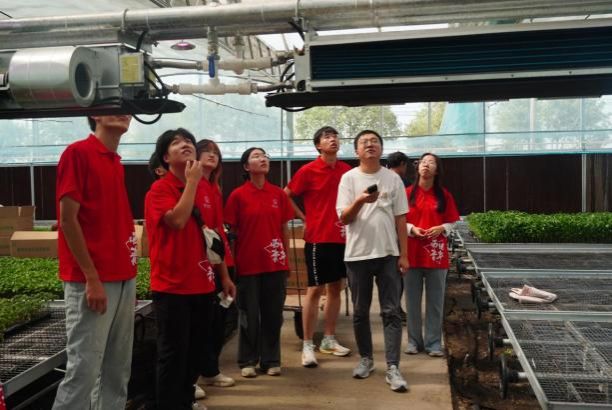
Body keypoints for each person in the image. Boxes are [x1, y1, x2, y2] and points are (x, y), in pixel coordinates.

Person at [145, 128, 235, 410]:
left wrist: (224, 275)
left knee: (195, 352)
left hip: (203, 283)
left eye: (188, 141)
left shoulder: (205, 189)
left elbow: (214, 237)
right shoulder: (160, 190)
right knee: (173, 355)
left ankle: (185, 402)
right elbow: (177, 220)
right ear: (165, 158)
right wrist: (193, 183)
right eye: (176, 143)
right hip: (172, 287)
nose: (185, 144)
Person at [53, 115, 137, 409]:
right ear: (95, 115)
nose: (123, 112)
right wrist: (91, 277)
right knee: (84, 370)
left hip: (123, 276)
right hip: (93, 279)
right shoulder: (78, 153)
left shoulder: (115, 162)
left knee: (117, 369)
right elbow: (68, 219)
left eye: (124, 107)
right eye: (112, 105)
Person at [336, 130, 409, 393]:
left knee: (391, 311)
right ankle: (366, 359)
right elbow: (344, 218)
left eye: (375, 141)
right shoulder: (348, 178)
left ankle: (393, 366)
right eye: (364, 142)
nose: (370, 145)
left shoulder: (393, 178)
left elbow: (401, 218)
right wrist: (360, 200)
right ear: (356, 150)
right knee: (360, 311)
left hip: (388, 254)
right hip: (358, 255)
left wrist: (404, 254)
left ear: (381, 149)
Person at [284, 126, 352, 368]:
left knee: (336, 288)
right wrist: (304, 217)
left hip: (343, 238)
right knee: (314, 290)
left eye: (335, 136)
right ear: (318, 146)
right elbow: (285, 195)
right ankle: (307, 344)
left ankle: (329, 339)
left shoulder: (347, 171)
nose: (333, 139)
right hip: (318, 238)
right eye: (327, 137)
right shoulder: (308, 171)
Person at [225, 147, 293, 378]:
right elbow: (232, 234)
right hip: (248, 265)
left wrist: (286, 259)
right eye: (256, 156)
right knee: (248, 315)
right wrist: (232, 266)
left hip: (275, 263)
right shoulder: (238, 195)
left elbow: (284, 229)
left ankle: (271, 359)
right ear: (246, 166)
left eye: (264, 156)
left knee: (273, 315)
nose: (262, 159)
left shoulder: (278, 194)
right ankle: (247, 360)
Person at [404, 153, 459, 357]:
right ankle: (413, 341)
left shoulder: (444, 195)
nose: (426, 165)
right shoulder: (406, 193)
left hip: (436, 256)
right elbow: (397, 220)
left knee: (435, 302)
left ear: (437, 170)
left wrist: (442, 228)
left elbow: (453, 221)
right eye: (423, 162)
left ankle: (434, 343)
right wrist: (411, 229)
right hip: (411, 254)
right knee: (412, 301)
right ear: (417, 167)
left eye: (431, 162)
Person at [195, 139, 237, 391]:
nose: (212, 155)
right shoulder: (192, 185)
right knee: (202, 322)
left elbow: (218, 230)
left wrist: (225, 271)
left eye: (215, 152)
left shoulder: (214, 188)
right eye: (206, 151)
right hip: (203, 265)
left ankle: (210, 370)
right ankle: (194, 375)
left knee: (219, 319)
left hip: (221, 262)